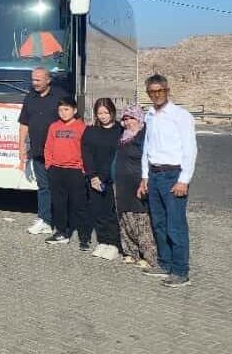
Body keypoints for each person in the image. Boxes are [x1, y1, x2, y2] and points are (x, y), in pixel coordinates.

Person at [138, 74, 197, 288]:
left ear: (167, 90)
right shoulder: (150, 115)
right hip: (154, 175)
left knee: (176, 225)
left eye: (159, 91)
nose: (156, 95)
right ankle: (165, 263)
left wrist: (184, 180)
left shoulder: (181, 116)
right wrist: (145, 177)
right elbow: (147, 148)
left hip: (173, 176)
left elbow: (190, 150)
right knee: (159, 223)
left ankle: (181, 271)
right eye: (151, 92)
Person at [19, 67, 68, 236]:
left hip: (57, 152)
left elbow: (69, 120)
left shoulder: (60, 96)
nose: (35, 83)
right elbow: (24, 124)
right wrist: (22, 148)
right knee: (43, 187)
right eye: (33, 80)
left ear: (48, 80)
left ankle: (62, 221)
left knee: (59, 187)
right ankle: (45, 220)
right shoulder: (30, 97)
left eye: (38, 80)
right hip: (38, 151)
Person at [114, 104, 158, 269]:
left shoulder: (144, 135)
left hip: (138, 182)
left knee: (141, 220)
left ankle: (149, 255)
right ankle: (130, 252)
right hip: (122, 184)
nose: (127, 122)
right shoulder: (122, 136)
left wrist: (145, 180)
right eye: (125, 118)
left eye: (131, 118)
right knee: (125, 218)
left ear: (139, 118)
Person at [43, 96, 88, 247]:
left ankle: (84, 236)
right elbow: (48, 147)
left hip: (75, 171)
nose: (63, 113)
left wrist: (82, 168)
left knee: (78, 205)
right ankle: (61, 232)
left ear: (74, 110)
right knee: (59, 203)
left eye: (67, 109)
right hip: (56, 170)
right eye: (60, 110)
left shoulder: (81, 127)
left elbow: (86, 150)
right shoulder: (54, 126)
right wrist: (49, 165)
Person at [81, 98, 121, 261]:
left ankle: (114, 243)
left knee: (111, 211)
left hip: (112, 178)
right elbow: (86, 154)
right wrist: (92, 176)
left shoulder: (120, 131)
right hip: (94, 177)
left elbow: (117, 156)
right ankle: (103, 240)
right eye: (100, 113)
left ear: (112, 112)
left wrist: (103, 177)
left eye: (106, 112)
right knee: (98, 210)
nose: (103, 116)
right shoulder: (90, 131)